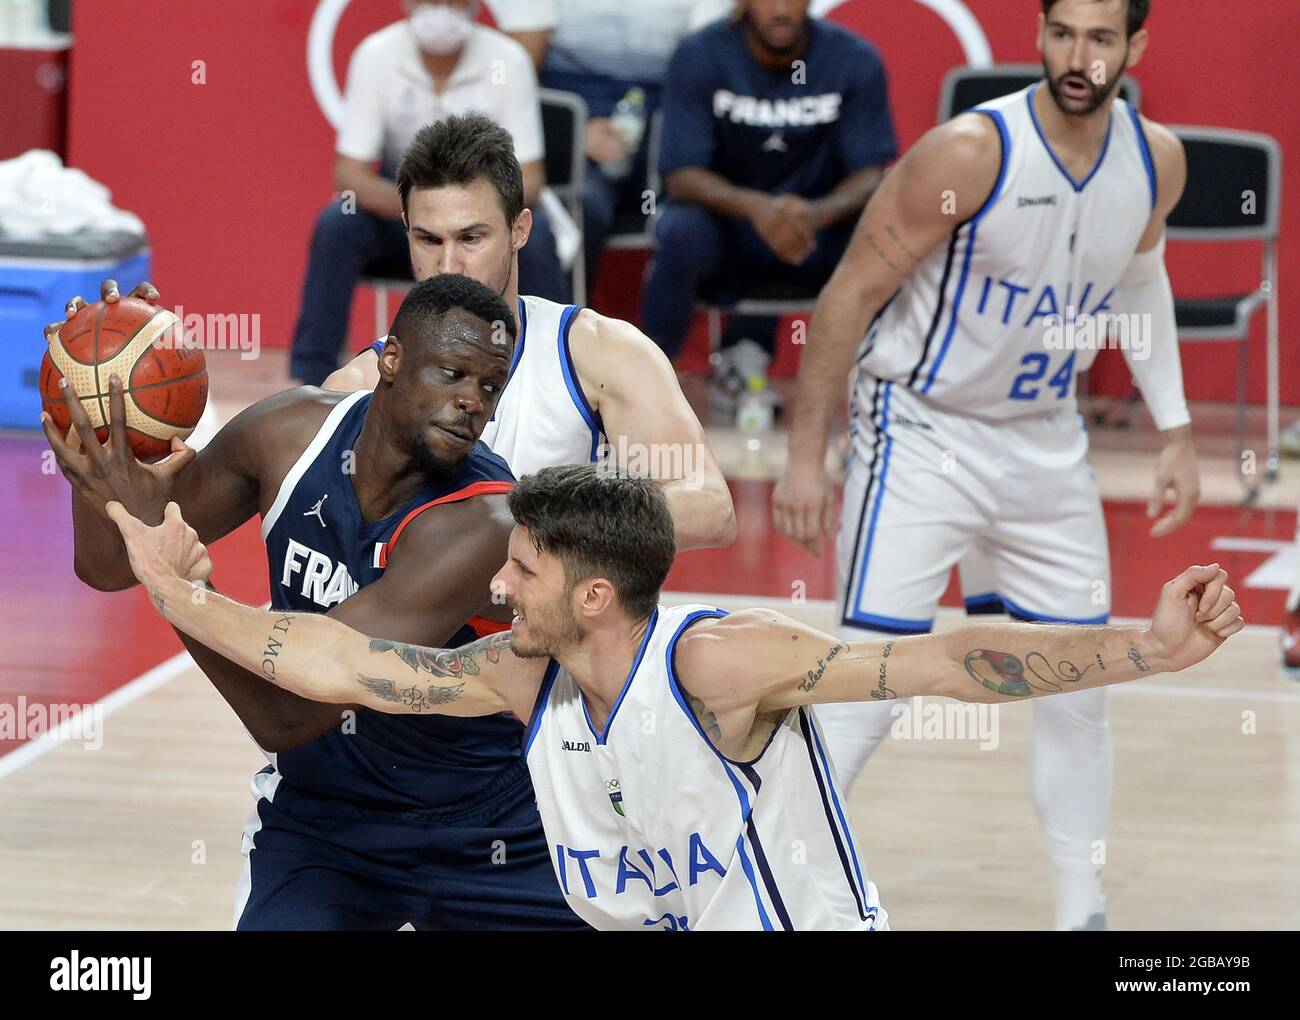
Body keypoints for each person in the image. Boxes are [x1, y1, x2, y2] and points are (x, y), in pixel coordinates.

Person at [106, 464, 1243, 931]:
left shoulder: (718, 666)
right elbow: (341, 666)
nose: (495, 586)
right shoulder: (521, 674)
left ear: (595, 593)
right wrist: (183, 597)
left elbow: (952, 661)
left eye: (525, 571)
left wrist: (1147, 648)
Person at [772, 0, 1200, 930]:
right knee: (870, 684)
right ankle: (769, 889)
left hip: (1045, 440)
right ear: (1040, 33)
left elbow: (1140, 280)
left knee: (1080, 681)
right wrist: (805, 458)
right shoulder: (969, 155)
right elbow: (846, 297)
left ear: (1136, 47)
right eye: (1060, 33)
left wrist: (1174, 428)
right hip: (923, 432)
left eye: (1098, 38)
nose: (1075, 57)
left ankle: (1081, 912)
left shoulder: (1156, 159)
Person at [42, 275, 587, 931]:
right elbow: (105, 564)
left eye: (489, 388)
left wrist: (181, 589)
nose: (473, 402)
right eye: (452, 373)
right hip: (325, 827)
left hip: (484, 830)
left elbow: (288, 714)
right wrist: (101, 422)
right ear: (391, 359)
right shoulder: (287, 435)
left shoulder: (481, 525)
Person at [324, 114, 736, 552]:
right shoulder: (358, 387)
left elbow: (708, 508)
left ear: (520, 230)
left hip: (563, 617)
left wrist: (536, 531)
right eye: (428, 240)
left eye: (470, 239)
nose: (447, 267)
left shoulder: (602, 354)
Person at [289, 0, 568, 386]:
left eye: (450, 0)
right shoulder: (375, 55)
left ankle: (550, 372)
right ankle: (311, 382)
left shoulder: (508, 60)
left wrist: (472, 210)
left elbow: (531, 179)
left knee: (535, 241)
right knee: (338, 224)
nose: (439, 10)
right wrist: (422, 214)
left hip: (481, 208)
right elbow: (349, 173)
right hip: (402, 208)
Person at [641, 0, 897, 414]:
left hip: (815, 233)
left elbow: (871, 174)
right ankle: (646, 385)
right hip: (729, 234)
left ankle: (887, 388)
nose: (781, 9)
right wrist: (759, 210)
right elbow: (681, 175)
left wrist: (814, 214)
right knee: (680, 230)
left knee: (884, 230)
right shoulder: (700, 55)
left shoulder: (853, 59)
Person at [533, 0, 713, 290]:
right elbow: (517, 66)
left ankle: (742, 335)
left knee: (697, 210)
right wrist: (572, 134)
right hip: (573, 117)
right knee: (578, 206)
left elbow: (710, 60)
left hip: (668, 119)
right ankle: (567, 326)